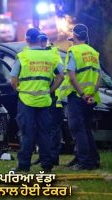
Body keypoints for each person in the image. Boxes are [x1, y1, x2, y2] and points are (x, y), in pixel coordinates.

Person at [10, 28, 64, 172]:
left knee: (28, 133)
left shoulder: (23, 56)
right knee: (44, 133)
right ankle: (47, 165)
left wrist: (18, 89)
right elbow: (61, 76)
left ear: (27, 39)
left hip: (26, 100)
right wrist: (51, 90)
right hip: (44, 100)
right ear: (39, 38)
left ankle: (24, 165)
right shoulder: (50, 56)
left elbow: (13, 80)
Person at [61, 24, 101, 170]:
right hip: (91, 96)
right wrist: (90, 94)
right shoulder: (93, 52)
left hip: (77, 96)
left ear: (75, 35)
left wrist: (82, 94)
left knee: (77, 128)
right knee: (86, 129)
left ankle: (84, 162)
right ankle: (93, 159)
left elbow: (71, 76)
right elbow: (98, 77)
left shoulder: (74, 51)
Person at [32, 33, 65, 166]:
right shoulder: (44, 54)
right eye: (40, 41)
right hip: (44, 97)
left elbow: (59, 75)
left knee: (53, 129)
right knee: (44, 128)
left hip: (54, 97)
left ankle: (52, 157)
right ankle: (45, 155)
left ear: (45, 41)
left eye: (43, 41)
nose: (41, 43)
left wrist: (50, 90)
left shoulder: (52, 54)